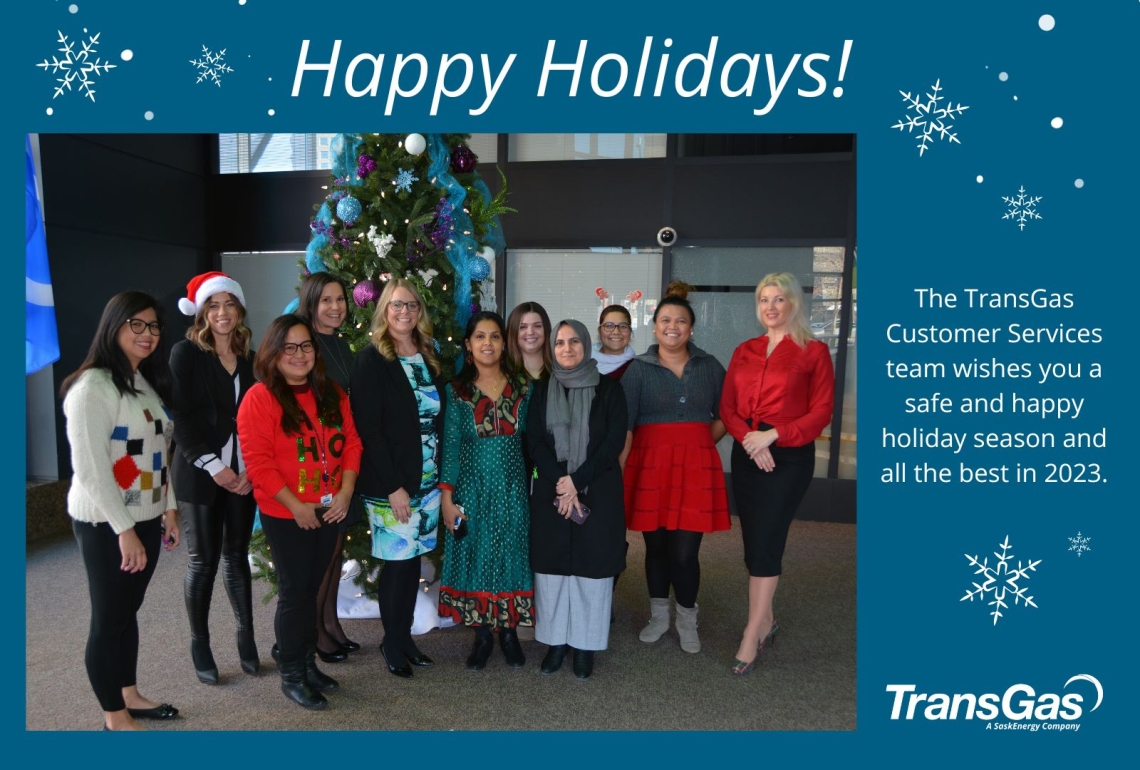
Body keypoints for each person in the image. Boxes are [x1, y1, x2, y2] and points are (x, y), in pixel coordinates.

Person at [61, 290, 182, 731]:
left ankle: (129, 692)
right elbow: (92, 470)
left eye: (153, 327)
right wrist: (124, 530)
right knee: (109, 616)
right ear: (114, 326)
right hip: (105, 523)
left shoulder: (141, 380)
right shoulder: (92, 387)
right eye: (137, 325)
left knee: (127, 611)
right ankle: (114, 714)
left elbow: (158, 453)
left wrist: (168, 508)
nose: (147, 334)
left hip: (146, 516)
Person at [237, 314, 362, 709]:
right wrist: (295, 507)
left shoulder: (331, 393)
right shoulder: (260, 398)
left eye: (306, 346)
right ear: (274, 353)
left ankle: (307, 663)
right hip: (286, 513)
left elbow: (353, 444)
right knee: (295, 593)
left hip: (330, 509)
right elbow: (259, 465)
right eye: (289, 347)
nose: (299, 354)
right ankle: (291, 674)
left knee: (312, 591)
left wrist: (344, 492)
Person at [720, 272, 834, 675]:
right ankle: (767, 619)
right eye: (764, 299)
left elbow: (821, 411)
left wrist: (775, 436)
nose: (770, 307)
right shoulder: (744, 350)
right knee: (753, 542)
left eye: (779, 299)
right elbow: (728, 407)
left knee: (768, 539)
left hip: (789, 459)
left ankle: (752, 632)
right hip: (748, 454)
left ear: (793, 304)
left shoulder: (813, 352)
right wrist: (752, 440)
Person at [621, 282, 728, 655]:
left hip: (695, 468)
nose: (673, 326)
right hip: (649, 466)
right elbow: (627, 427)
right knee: (656, 547)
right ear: (654, 327)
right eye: (665, 320)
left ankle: (687, 618)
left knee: (685, 552)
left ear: (691, 328)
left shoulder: (710, 366)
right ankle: (658, 616)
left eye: (680, 321)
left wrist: (699, 444)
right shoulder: (637, 369)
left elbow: (727, 415)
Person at [349, 278, 444, 679]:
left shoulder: (427, 354)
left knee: (413, 564)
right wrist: (393, 487)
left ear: (420, 311)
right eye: (396, 306)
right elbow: (369, 430)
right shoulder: (372, 359)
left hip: (428, 480)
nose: (404, 312)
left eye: (411, 306)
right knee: (397, 565)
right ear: (384, 310)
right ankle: (391, 640)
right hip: (393, 485)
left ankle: (405, 639)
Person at [169, 272, 258, 684]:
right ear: (203, 312)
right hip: (201, 473)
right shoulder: (185, 353)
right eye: (214, 305)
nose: (222, 313)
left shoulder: (250, 359)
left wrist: (248, 470)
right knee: (202, 561)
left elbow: (258, 420)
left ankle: (246, 638)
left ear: (239, 311)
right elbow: (182, 418)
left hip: (243, 476)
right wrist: (216, 467)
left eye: (229, 304)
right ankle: (199, 642)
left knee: (237, 557)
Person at [527, 320, 627, 679]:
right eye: (559, 343)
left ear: (586, 345)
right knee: (552, 571)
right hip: (552, 493)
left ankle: (584, 646)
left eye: (574, 342)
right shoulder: (540, 391)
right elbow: (534, 442)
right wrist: (560, 482)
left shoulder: (610, 391)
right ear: (551, 349)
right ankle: (555, 643)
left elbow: (612, 443)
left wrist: (576, 482)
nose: (566, 349)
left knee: (591, 571)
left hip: (596, 490)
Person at [437, 312, 534, 671]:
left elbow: (536, 441)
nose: (488, 344)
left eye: (495, 337)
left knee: (510, 552)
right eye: (480, 337)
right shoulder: (457, 391)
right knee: (476, 554)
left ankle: (508, 633)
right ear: (468, 344)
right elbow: (450, 446)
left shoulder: (524, 386)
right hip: (472, 488)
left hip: (512, 488)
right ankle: (481, 635)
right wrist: (447, 499)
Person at [296, 272, 359, 661]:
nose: (335, 307)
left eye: (340, 300)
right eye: (326, 301)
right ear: (312, 302)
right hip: (315, 466)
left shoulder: (341, 345)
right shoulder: (304, 344)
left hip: (341, 462)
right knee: (321, 554)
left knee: (335, 549)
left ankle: (331, 621)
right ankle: (315, 631)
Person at [506, 301, 553, 381]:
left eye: (537, 326)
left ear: (546, 329)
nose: (530, 332)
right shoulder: (502, 372)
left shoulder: (560, 372)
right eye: (523, 327)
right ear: (513, 332)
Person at [591, 304, 636, 380]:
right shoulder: (584, 363)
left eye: (623, 326)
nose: (616, 332)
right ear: (599, 331)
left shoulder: (637, 368)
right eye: (609, 326)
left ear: (630, 331)